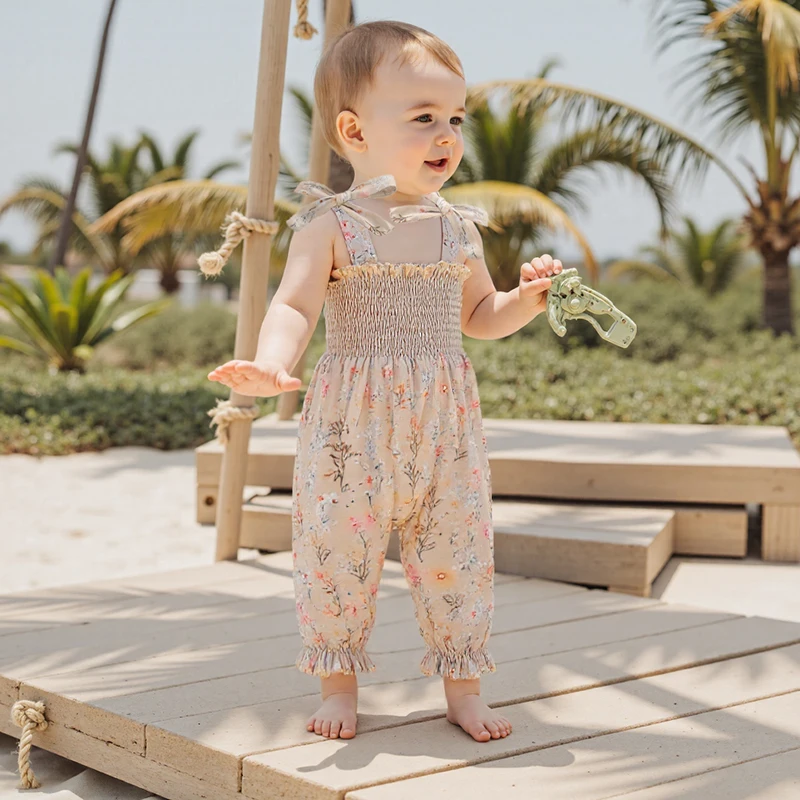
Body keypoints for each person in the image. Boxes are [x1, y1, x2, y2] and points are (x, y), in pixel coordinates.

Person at [207, 19, 562, 744]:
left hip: (445, 426)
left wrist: (525, 301)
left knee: (457, 554)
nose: (446, 136)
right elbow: (294, 305)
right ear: (354, 130)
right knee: (338, 552)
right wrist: (273, 363)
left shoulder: (457, 228)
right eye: (424, 117)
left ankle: (464, 689)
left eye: (456, 119)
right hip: (352, 426)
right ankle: (340, 687)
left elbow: (479, 316)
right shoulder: (332, 224)